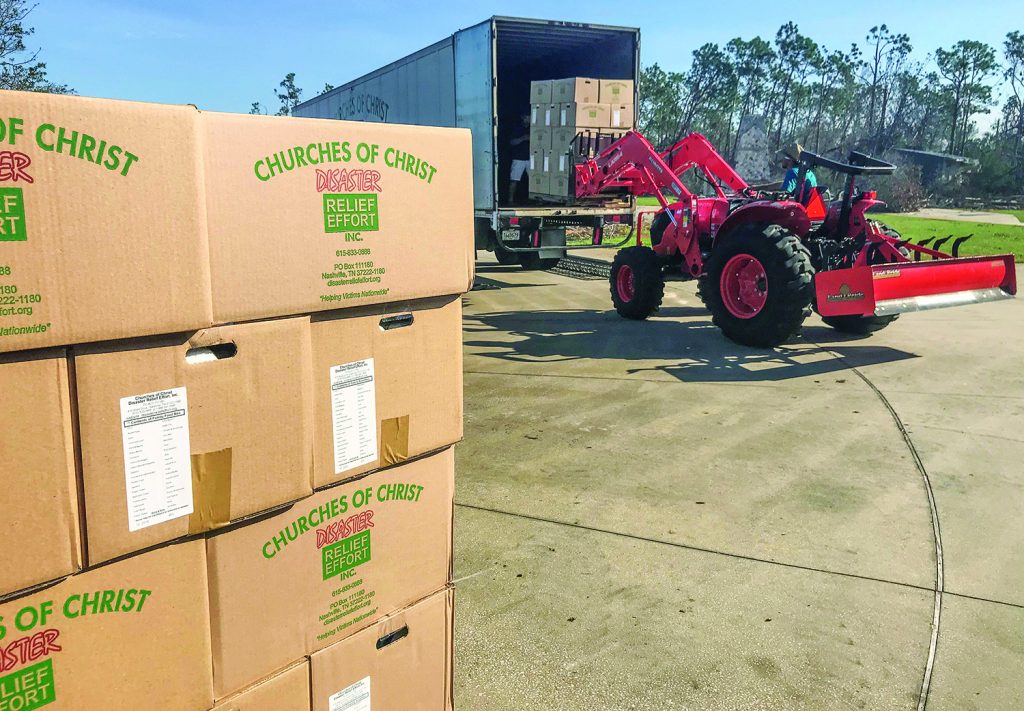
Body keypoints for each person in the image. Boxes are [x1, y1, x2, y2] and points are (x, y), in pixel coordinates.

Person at [508, 113, 531, 204]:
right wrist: (523, 138)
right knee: (514, 180)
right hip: (518, 158)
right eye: (528, 116)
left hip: (531, 158)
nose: (529, 118)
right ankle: (510, 199)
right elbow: (512, 142)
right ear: (523, 117)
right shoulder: (517, 128)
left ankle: (536, 199)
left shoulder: (535, 128)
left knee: (534, 180)